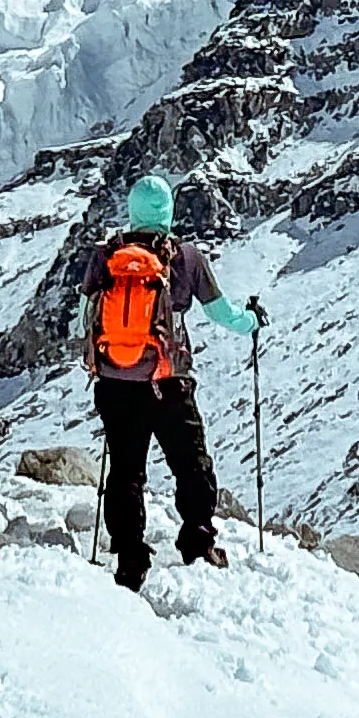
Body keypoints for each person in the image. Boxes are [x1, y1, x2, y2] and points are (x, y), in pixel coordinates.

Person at [80, 174, 257, 590]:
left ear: (132, 210)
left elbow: (83, 317)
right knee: (190, 462)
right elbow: (223, 313)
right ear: (168, 213)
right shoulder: (186, 257)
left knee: (125, 472)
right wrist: (251, 321)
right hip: (169, 382)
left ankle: (129, 558)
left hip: (115, 382)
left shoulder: (105, 256)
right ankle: (198, 541)